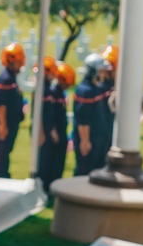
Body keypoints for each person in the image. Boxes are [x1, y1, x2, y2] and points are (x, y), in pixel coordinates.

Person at [73, 53, 113, 176]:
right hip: (90, 138)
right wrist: (85, 141)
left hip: (99, 137)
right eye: (100, 71)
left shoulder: (96, 88)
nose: (103, 74)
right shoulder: (85, 91)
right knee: (85, 170)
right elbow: (83, 119)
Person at [38, 61, 74, 193]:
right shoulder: (51, 92)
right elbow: (49, 114)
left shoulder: (55, 92)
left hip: (60, 131)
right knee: (48, 162)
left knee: (57, 161)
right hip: (54, 132)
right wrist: (52, 130)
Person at [0, 43, 26, 178]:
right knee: (2, 151)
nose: (21, 65)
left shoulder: (11, 78)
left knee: (6, 151)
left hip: (11, 121)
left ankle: (3, 173)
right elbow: (1, 104)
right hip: (6, 122)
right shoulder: (5, 79)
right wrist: (2, 124)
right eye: (18, 62)